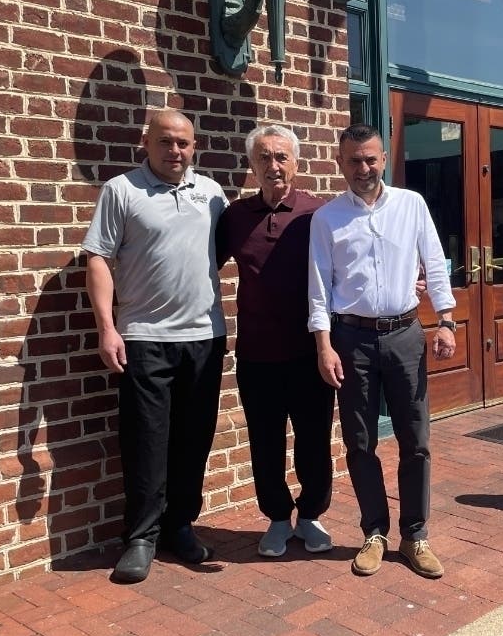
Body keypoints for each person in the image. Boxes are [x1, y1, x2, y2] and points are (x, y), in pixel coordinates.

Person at [83, 109, 228, 583]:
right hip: (145, 338)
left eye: (184, 144)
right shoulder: (122, 191)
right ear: (146, 142)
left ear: (194, 146)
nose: (175, 152)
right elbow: (99, 259)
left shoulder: (211, 194)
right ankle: (141, 537)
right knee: (146, 442)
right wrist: (107, 327)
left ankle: (180, 525)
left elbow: (219, 253)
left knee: (194, 441)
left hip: (205, 338)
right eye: (166, 142)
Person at [308, 123, 457, 579]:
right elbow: (318, 288)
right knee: (359, 441)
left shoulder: (411, 205)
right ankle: (374, 531)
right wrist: (324, 346)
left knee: (416, 441)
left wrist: (446, 320)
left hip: (406, 335)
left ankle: (415, 535)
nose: (363, 167)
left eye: (370, 158)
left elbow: (434, 261)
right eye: (353, 160)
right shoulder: (327, 218)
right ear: (340, 163)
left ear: (384, 158)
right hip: (351, 340)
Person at [216, 124, 335, 558]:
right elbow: (201, 266)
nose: (274, 166)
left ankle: (310, 515)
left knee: (314, 440)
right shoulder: (234, 217)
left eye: (282, 157)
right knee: (264, 442)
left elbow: (349, 266)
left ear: (296, 163)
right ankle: (276, 518)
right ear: (252, 165)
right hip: (257, 355)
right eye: (264, 158)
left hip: (309, 354)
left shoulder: (317, 213)